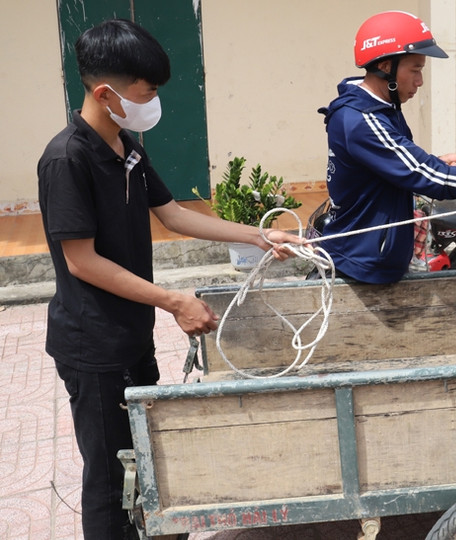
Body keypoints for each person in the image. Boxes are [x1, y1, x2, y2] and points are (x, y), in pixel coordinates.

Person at [37, 19, 301, 540]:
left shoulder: (126, 146)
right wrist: (173, 300)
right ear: (107, 92)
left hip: (130, 336)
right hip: (94, 345)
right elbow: (81, 261)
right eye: (147, 91)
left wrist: (259, 236)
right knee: (111, 481)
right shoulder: (67, 158)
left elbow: (173, 214)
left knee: (147, 460)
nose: (154, 100)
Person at [315, 10, 456, 284]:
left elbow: (393, 166)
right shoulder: (361, 120)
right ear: (387, 66)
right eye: (415, 69)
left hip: (368, 258)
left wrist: (434, 161)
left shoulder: (380, 109)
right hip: (362, 266)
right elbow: (429, 177)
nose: (420, 81)